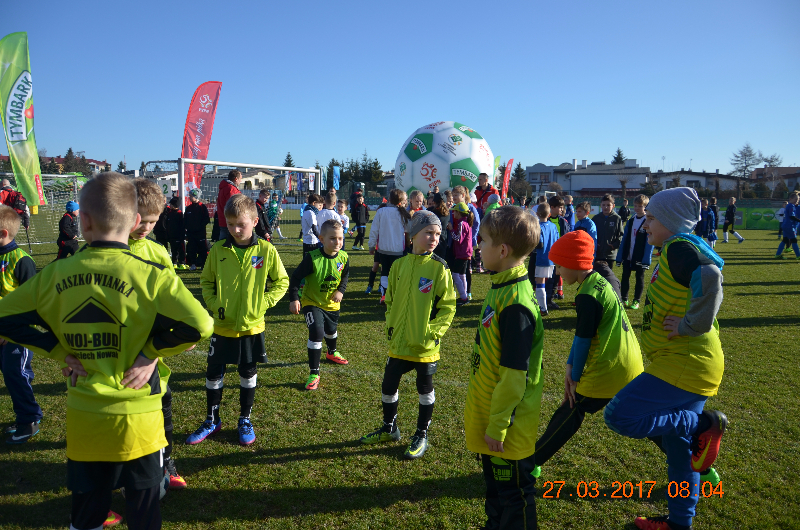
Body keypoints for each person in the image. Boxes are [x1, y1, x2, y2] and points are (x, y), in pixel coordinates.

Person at [0, 173, 214, 530]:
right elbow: (201, 325)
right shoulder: (152, 275)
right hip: (141, 417)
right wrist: (149, 353)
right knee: (144, 513)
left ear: (83, 221)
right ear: (134, 221)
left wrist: (60, 352)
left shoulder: (54, 274)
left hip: (86, 416)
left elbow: (4, 317)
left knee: (87, 516)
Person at [604, 187, 727, 530]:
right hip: (688, 363)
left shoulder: (678, 246)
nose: (645, 225)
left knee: (619, 416)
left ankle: (702, 425)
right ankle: (679, 523)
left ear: (670, 221)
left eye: (652, 218)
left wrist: (690, 325)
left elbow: (710, 276)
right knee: (680, 454)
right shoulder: (676, 247)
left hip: (684, 363)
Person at [532, 230, 642, 478]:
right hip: (629, 363)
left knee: (572, 407)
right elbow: (582, 335)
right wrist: (570, 366)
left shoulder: (587, 295)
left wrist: (574, 377)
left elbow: (583, 341)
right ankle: (695, 459)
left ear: (574, 263)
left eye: (560, 265)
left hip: (609, 367)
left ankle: (531, 463)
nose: (557, 272)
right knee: (642, 416)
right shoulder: (598, 282)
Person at [463, 205, 543, 530]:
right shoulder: (502, 287)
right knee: (496, 492)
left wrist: (498, 426)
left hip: (507, 427)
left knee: (515, 496)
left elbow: (513, 376)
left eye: (482, 240)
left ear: (503, 250)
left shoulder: (516, 304)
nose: (477, 246)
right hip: (493, 418)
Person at [189, 194, 289, 446]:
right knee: (214, 373)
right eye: (230, 224)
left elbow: (282, 281)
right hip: (222, 326)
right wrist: (215, 304)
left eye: (240, 225)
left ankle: (245, 419)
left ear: (254, 222)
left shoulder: (265, 250)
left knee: (247, 372)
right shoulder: (218, 250)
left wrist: (264, 303)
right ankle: (212, 419)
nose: (235, 230)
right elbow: (206, 281)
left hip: (251, 326)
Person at [359, 211, 456, 459]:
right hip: (399, 341)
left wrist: (433, 332)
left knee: (424, 388)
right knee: (388, 385)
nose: (434, 238)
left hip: (424, 344)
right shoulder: (398, 265)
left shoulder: (439, 268)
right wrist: (391, 324)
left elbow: (448, 307)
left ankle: (421, 434)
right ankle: (389, 428)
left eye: (437, 234)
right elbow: (389, 299)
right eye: (428, 232)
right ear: (413, 235)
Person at [128, 178, 185, 492]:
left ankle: (167, 462)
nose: (146, 227)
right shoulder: (106, 249)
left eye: (152, 221)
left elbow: (171, 299)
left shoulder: (159, 253)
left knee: (163, 406)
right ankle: (123, 473)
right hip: (117, 350)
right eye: (140, 220)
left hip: (152, 350)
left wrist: (175, 331)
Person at [289, 219, 350, 390]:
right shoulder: (312, 258)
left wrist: (341, 291)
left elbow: (345, 276)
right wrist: (294, 298)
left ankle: (331, 352)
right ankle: (314, 373)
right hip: (312, 302)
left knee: (331, 331)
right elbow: (295, 277)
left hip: (332, 304)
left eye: (340, 238)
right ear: (321, 239)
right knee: (317, 332)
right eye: (332, 238)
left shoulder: (344, 257)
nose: (337, 242)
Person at [0, 206, 42, 444]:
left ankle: (29, 419)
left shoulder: (21, 260)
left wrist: (9, 331)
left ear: (3, 233)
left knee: (17, 374)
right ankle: (23, 416)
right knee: (9, 374)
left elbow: (31, 303)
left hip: (17, 334)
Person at [368, 189, 411, 305]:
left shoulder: (381, 211)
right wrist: (409, 244)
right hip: (398, 250)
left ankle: (384, 295)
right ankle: (396, 295)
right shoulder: (403, 214)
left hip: (383, 249)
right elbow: (408, 231)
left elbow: (374, 230)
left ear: (390, 199)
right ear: (402, 201)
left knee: (385, 272)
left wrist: (371, 246)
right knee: (397, 273)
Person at [616, 194, 653, 310]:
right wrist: (620, 256)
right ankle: (624, 298)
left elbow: (650, 243)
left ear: (646, 207)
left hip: (640, 256)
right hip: (628, 254)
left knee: (639, 277)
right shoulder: (631, 220)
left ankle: (636, 300)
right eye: (635, 206)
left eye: (640, 206)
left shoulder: (648, 221)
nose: (637, 208)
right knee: (625, 276)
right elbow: (625, 238)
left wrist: (646, 259)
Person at [451, 186, 480, 297]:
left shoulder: (470, 208)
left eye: (456, 195)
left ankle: (467, 292)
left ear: (463, 195)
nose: (454, 197)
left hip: (464, 246)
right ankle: (458, 291)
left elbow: (476, 224)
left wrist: (471, 239)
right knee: (459, 271)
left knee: (465, 270)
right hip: (456, 245)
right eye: (453, 195)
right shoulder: (453, 207)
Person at [532, 203, 558, 315]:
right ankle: (542, 305)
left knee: (540, 283)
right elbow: (557, 241)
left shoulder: (538, 226)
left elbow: (540, 244)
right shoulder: (553, 226)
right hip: (552, 259)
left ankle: (543, 308)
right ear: (549, 214)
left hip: (542, 258)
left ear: (537, 214)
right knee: (543, 282)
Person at [450, 202, 473, 306]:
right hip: (466, 253)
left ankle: (463, 296)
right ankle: (465, 296)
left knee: (455, 274)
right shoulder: (466, 222)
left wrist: (451, 229)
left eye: (454, 211)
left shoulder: (461, 224)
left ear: (458, 213)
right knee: (462, 275)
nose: (453, 213)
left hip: (462, 253)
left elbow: (458, 238)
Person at [547, 196, 568, 304]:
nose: (561, 209)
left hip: (559, 254)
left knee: (556, 277)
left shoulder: (563, 221)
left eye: (562, 207)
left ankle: (550, 298)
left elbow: (566, 236)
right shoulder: (546, 220)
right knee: (548, 277)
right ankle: (546, 298)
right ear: (552, 207)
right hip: (547, 254)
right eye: (560, 207)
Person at [593, 194, 623, 269]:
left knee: (608, 274)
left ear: (613, 206)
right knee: (596, 273)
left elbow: (621, 235)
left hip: (610, 254)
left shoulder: (617, 218)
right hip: (598, 253)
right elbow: (591, 234)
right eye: (603, 205)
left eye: (608, 205)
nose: (605, 207)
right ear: (601, 205)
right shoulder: (596, 218)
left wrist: (614, 245)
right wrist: (595, 244)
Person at [185, 189, 210, 270]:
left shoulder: (202, 207)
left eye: (191, 196)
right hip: (191, 233)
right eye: (189, 196)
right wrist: (187, 229)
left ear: (196, 196)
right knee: (192, 249)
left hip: (200, 233)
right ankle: (193, 264)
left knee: (203, 249)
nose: (190, 197)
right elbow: (185, 220)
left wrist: (199, 227)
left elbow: (206, 219)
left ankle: (204, 265)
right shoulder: (188, 208)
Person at [217, 170, 242, 241]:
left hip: (223, 220)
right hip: (231, 221)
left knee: (223, 242)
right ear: (236, 179)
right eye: (240, 179)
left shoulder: (224, 188)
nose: (241, 181)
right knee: (230, 243)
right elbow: (233, 206)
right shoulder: (231, 189)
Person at [776, 192, 800, 259]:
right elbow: (791, 216)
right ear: (790, 199)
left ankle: (778, 254)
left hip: (786, 225)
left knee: (785, 240)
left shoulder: (789, 205)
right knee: (794, 240)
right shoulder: (791, 206)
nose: (797, 201)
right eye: (795, 199)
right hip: (789, 226)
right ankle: (798, 256)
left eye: (798, 200)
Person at [166, 197, 186, 269]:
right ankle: (174, 262)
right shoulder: (169, 213)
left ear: (175, 205)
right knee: (173, 250)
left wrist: (182, 235)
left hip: (179, 236)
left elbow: (182, 226)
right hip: (172, 236)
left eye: (171, 204)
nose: (170, 205)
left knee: (181, 250)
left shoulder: (180, 214)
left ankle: (182, 263)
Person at [428, 193, 449, 260]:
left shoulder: (430, 211)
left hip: (431, 239)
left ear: (434, 202)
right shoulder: (447, 213)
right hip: (442, 241)